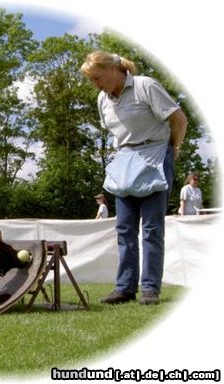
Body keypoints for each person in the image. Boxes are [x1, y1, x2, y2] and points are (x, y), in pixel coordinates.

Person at [81, 51, 187, 305]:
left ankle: (150, 288)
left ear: (113, 70)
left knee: (151, 227)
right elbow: (118, 133)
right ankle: (125, 288)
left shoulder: (144, 86)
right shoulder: (102, 99)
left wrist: (173, 150)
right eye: (92, 80)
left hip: (155, 155)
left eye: (97, 77)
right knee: (125, 229)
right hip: (125, 160)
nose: (95, 84)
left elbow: (179, 120)